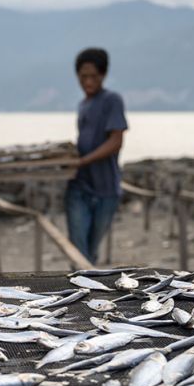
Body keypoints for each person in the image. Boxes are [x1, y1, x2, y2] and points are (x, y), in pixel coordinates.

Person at [65, 48, 128, 264]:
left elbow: (116, 141)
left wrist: (83, 160)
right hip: (79, 186)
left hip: (106, 189)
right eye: (83, 77)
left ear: (103, 75)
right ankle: (79, 289)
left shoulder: (112, 100)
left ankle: (85, 288)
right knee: (78, 251)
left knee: (90, 251)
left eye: (93, 76)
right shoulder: (83, 105)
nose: (88, 81)